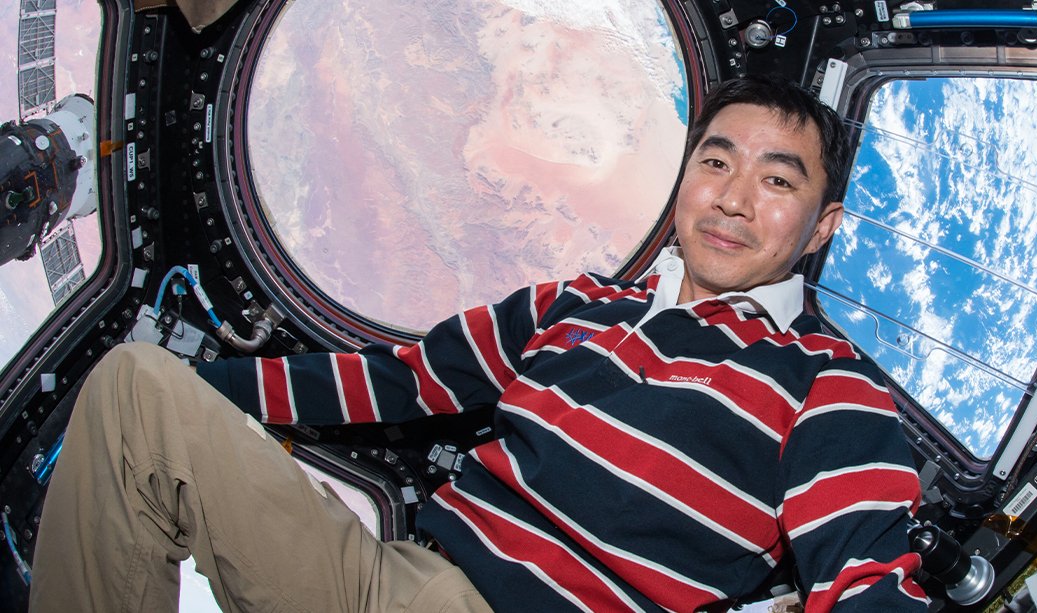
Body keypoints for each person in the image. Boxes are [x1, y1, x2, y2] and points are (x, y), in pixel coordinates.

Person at [31, 76, 928, 612]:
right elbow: (395, 380)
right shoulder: (572, 304)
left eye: (778, 179)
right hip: (400, 581)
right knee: (133, 391)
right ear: (686, 177)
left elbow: (864, 572)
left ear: (819, 228)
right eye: (716, 161)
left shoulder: (825, 381)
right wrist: (210, 386)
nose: (734, 197)